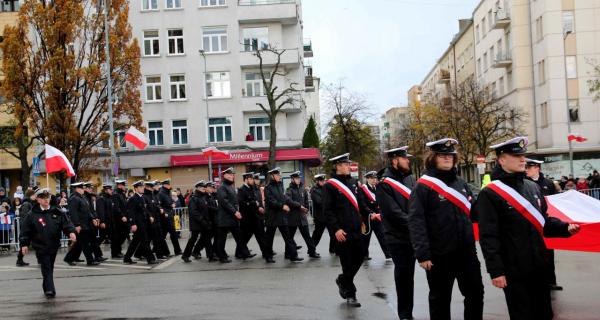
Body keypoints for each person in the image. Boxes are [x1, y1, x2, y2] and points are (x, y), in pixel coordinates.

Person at [475, 137, 580, 320]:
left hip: (539, 264)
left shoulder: (533, 187)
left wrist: (564, 228)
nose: (522, 159)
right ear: (501, 160)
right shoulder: (490, 193)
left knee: (544, 313)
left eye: (522, 155)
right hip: (513, 268)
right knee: (522, 314)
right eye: (516, 156)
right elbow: (488, 236)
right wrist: (496, 270)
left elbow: (543, 222)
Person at [408, 138, 484, 320]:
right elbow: (416, 220)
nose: (448, 158)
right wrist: (423, 253)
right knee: (440, 300)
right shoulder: (423, 186)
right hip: (438, 254)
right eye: (442, 155)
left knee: (475, 294)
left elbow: (474, 212)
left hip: (466, 252)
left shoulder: (461, 183)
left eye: (450, 155)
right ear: (433, 157)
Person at [323, 153, 371, 307]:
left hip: (357, 228)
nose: (349, 166)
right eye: (345, 164)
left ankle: (343, 279)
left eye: (349, 164)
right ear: (338, 166)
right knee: (347, 262)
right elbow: (327, 211)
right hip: (342, 231)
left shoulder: (353, 183)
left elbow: (361, 204)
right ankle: (351, 295)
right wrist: (336, 229)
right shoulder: (330, 186)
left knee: (360, 256)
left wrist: (371, 214)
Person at [376, 146, 417, 320]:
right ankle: (405, 314)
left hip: (415, 235)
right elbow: (393, 213)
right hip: (398, 238)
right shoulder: (384, 185)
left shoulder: (410, 179)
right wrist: (416, 223)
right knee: (405, 277)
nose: (408, 160)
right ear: (395, 161)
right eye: (405, 158)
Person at [19, 188, 77, 298]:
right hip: (40, 245)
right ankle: (50, 290)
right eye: (43, 198)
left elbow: (66, 224)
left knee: (49, 267)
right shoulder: (32, 214)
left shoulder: (57, 211)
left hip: (53, 245)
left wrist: (71, 232)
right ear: (38, 200)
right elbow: (25, 230)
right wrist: (24, 244)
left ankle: (46, 286)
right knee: (46, 266)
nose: (46, 200)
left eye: (48, 198)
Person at [525, 158, 563, 291]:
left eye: (529, 167)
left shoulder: (548, 183)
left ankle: (551, 281)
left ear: (537, 168)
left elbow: (556, 201)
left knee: (548, 252)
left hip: (546, 222)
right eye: (526, 167)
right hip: (531, 224)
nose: (526, 170)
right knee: (532, 254)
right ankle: (535, 282)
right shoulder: (524, 183)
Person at [264, 167, 302, 262]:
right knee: (269, 238)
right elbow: (271, 201)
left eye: (279, 175)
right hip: (272, 216)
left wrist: (287, 204)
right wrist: (282, 206)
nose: (279, 176)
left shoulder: (280, 186)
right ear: (272, 176)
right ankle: (268, 256)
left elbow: (283, 198)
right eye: (277, 175)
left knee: (288, 237)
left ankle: (293, 255)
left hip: (281, 216)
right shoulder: (268, 188)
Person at [215, 167, 253, 263]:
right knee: (222, 240)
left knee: (239, 236)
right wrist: (235, 211)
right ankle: (222, 257)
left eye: (233, 175)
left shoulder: (230, 187)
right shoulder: (222, 187)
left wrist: (237, 211)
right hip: (225, 217)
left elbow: (234, 201)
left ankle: (245, 253)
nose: (232, 176)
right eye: (230, 175)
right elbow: (225, 202)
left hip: (232, 217)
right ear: (224, 176)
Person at [237, 172, 272, 263]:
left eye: (253, 179)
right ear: (246, 180)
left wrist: (258, 207)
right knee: (244, 238)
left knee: (261, 237)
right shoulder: (241, 190)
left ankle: (267, 256)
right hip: (247, 219)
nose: (253, 180)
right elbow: (241, 203)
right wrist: (253, 203)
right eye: (251, 179)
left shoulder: (252, 188)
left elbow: (255, 200)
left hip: (255, 217)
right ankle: (241, 253)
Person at [64, 182, 100, 266]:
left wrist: (93, 219)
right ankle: (90, 260)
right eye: (81, 188)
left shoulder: (82, 198)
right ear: (77, 189)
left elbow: (87, 211)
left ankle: (68, 258)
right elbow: (73, 213)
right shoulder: (74, 198)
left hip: (86, 224)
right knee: (85, 243)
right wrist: (76, 225)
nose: (83, 189)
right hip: (81, 225)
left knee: (80, 243)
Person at [286, 171, 319, 259]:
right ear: (292, 179)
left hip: (302, 217)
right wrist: (299, 206)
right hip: (293, 217)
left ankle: (312, 252)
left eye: (299, 178)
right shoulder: (289, 190)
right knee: (290, 237)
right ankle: (288, 253)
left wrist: (307, 208)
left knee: (307, 236)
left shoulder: (302, 189)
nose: (298, 180)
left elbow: (306, 200)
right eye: (296, 178)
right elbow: (288, 201)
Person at [123, 180, 157, 265]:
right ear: (136, 188)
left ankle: (127, 258)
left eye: (143, 187)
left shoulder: (141, 197)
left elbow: (144, 209)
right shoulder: (133, 199)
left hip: (143, 222)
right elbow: (130, 212)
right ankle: (150, 259)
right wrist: (133, 224)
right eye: (140, 187)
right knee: (145, 241)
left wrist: (150, 216)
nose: (143, 188)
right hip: (138, 224)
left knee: (135, 242)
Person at [182, 181, 216, 262]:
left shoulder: (203, 197)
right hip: (196, 223)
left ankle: (210, 256)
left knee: (207, 239)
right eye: (202, 187)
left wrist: (207, 220)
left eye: (204, 187)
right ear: (197, 188)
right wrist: (202, 220)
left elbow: (206, 209)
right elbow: (194, 212)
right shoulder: (194, 198)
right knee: (193, 239)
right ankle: (185, 255)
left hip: (204, 222)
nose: (204, 189)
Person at [359, 170, 389, 261]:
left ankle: (388, 254)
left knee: (382, 235)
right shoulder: (362, 189)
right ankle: (364, 255)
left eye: (375, 178)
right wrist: (370, 212)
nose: (374, 180)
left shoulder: (377, 188)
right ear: (367, 179)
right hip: (368, 217)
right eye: (371, 178)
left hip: (377, 216)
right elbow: (362, 203)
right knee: (366, 238)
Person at [310, 174, 336, 255]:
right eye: (321, 181)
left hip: (328, 216)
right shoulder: (314, 190)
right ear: (317, 181)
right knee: (317, 235)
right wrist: (330, 202)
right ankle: (311, 250)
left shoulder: (326, 189)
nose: (323, 182)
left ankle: (333, 249)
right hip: (320, 217)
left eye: (324, 181)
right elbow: (319, 202)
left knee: (333, 233)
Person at [158, 179, 182, 256]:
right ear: (164, 185)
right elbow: (159, 205)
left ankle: (177, 250)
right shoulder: (161, 193)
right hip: (165, 217)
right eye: (168, 184)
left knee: (167, 235)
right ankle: (175, 251)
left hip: (170, 215)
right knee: (169, 234)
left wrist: (172, 204)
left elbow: (170, 201)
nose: (169, 186)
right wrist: (165, 212)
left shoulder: (168, 192)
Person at [16, 190, 36, 267]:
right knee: (25, 243)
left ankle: (20, 259)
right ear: (30, 195)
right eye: (34, 195)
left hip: (30, 226)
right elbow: (25, 217)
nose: (35, 196)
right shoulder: (26, 204)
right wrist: (28, 226)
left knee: (30, 243)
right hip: (27, 227)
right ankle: (19, 259)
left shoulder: (30, 203)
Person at [110, 180, 129, 258]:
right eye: (124, 185)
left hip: (124, 218)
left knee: (124, 234)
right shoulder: (116, 195)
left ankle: (117, 251)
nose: (125, 187)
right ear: (119, 186)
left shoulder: (122, 194)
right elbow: (116, 208)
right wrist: (122, 216)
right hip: (118, 219)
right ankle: (115, 252)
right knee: (118, 236)